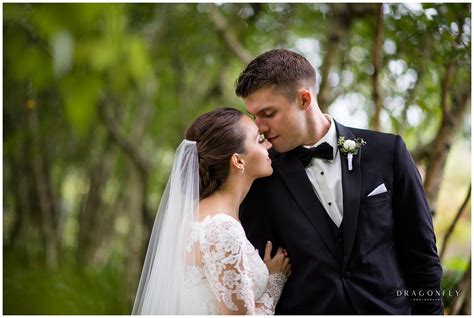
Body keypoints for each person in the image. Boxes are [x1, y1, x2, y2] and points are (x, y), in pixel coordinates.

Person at [235, 49, 444, 314]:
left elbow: (422, 254)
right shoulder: (263, 176)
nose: (259, 126)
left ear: (303, 99)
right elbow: (261, 271)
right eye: (254, 116)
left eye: (268, 113)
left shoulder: (387, 151)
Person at [132, 107, 291, 315]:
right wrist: (274, 283)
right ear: (238, 160)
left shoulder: (199, 217)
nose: (268, 144)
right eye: (259, 140)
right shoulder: (222, 228)